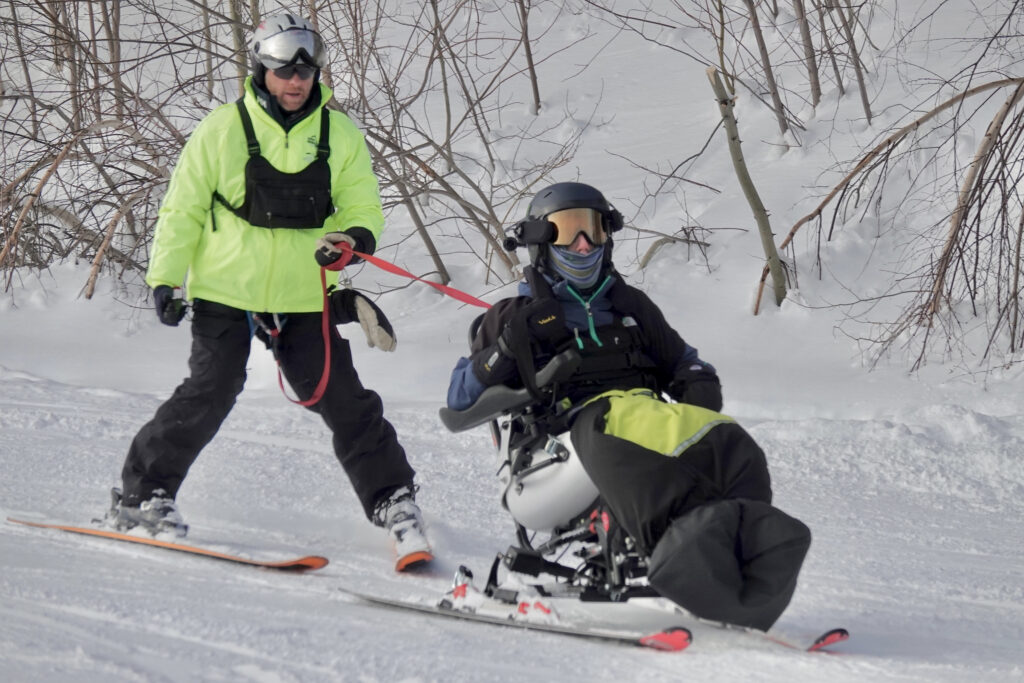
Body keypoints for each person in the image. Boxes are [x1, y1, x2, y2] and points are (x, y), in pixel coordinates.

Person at [106, 12, 431, 572]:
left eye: (305, 72)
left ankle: (394, 501)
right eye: (284, 71)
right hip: (226, 289)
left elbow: (362, 206)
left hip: (303, 292)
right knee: (213, 386)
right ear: (262, 70)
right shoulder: (222, 128)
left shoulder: (338, 134)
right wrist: (165, 278)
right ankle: (144, 494)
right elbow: (182, 208)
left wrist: (351, 239)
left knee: (341, 395)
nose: (295, 81)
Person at [446, 181, 810, 629]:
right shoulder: (513, 314)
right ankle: (673, 555)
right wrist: (506, 347)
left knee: (730, 444)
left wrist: (697, 382)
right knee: (619, 425)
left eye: (594, 229)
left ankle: (744, 568)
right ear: (541, 240)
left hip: (638, 422)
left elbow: (685, 360)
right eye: (569, 231)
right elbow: (458, 400)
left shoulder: (629, 307)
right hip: (556, 454)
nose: (584, 244)